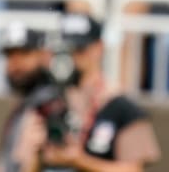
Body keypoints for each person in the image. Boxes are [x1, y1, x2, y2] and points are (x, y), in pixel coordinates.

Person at [31, 14, 162, 171]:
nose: (72, 57)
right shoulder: (48, 103)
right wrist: (34, 150)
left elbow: (134, 169)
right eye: (66, 49)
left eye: (79, 49)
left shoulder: (122, 108)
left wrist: (80, 161)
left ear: (99, 48)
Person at [0, 21, 55, 172]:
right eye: (10, 55)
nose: (16, 63)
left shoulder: (50, 104)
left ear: (44, 55)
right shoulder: (25, 104)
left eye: (24, 54)